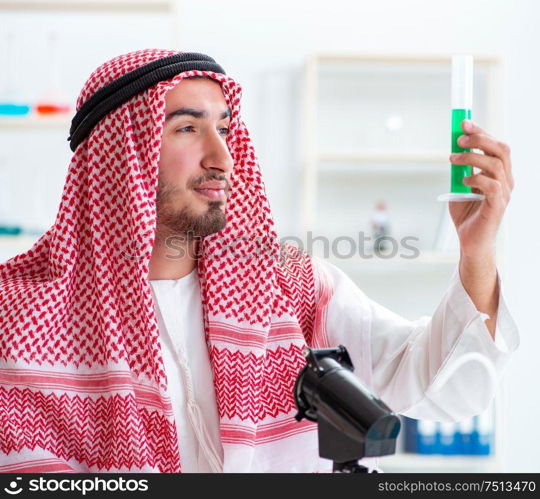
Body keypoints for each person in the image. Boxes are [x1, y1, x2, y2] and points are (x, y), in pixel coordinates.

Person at [0, 49, 519, 473]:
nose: (221, 157)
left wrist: (476, 250)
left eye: (224, 129)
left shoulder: (288, 288)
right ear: (120, 154)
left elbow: (454, 390)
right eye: (186, 128)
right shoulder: (20, 316)